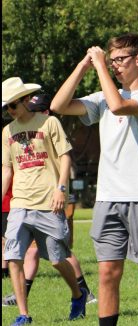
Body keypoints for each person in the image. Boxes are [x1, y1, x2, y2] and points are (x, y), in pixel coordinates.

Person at [50, 33, 138, 326]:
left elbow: (118, 107)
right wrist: (83, 66)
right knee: (107, 273)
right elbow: (59, 105)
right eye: (111, 60)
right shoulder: (102, 97)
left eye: (120, 60)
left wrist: (101, 65)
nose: (114, 66)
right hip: (107, 197)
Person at [2, 77, 87, 325]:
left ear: (26, 100)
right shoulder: (7, 131)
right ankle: (23, 314)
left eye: (13, 105)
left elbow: (65, 158)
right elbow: (7, 170)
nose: (10, 111)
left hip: (49, 202)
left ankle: (78, 294)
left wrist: (61, 189)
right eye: (6, 107)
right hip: (20, 202)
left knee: (58, 259)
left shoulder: (50, 123)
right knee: (14, 258)